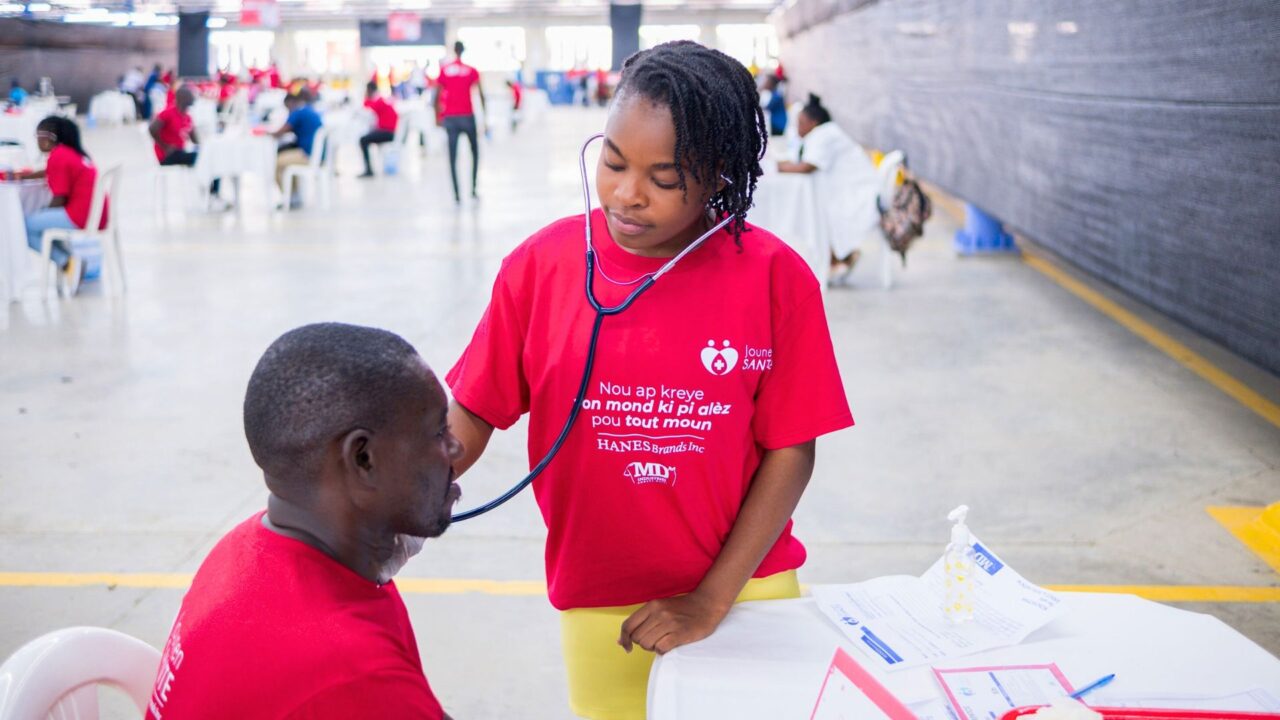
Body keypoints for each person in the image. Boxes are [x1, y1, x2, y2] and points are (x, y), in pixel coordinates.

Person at [446, 41, 853, 720]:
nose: (626, 195)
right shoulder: (542, 267)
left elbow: (792, 450)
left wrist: (711, 600)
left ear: (720, 176)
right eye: (612, 162)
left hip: (747, 589)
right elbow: (473, 410)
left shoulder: (776, 278)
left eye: (663, 179)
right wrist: (394, 494)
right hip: (603, 597)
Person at [144, 323, 460, 720]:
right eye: (438, 432)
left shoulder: (243, 548)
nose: (456, 446)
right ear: (363, 459)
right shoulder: (352, 672)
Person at [777, 93, 879, 283]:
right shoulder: (822, 134)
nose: (797, 128)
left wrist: (774, 167)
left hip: (860, 193)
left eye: (801, 123)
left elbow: (807, 166)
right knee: (814, 209)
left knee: (819, 213)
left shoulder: (825, 134)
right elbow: (799, 161)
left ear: (813, 122)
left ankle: (841, 257)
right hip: (848, 188)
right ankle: (839, 257)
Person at [19, 116, 109, 297]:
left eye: (38, 136)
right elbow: (49, 172)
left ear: (49, 137)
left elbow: (59, 198)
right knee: (40, 224)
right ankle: (70, 262)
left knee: (25, 226)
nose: (36, 140)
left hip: (81, 215)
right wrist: (23, 176)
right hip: (96, 213)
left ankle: (67, 262)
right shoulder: (70, 152)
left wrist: (42, 214)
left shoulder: (58, 157)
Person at [150, 85, 222, 203]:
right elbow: (152, 129)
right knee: (204, 159)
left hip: (180, 153)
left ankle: (213, 194)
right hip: (168, 156)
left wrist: (206, 141)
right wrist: (165, 146)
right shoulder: (168, 113)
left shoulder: (187, 117)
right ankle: (211, 195)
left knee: (211, 157)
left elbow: (194, 140)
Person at [434, 40, 485, 204]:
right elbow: (481, 94)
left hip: (450, 118)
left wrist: (437, 117)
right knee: (475, 153)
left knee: (452, 156)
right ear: (463, 51)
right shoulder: (471, 71)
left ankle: (456, 194)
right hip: (467, 117)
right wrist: (485, 116)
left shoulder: (445, 71)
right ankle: (473, 189)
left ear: (453, 50)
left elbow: (436, 95)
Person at [271, 89, 323, 208]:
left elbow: (282, 131)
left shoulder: (298, 112)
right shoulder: (310, 110)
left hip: (307, 154)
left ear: (290, 103)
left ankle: (289, 197)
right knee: (286, 158)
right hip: (314, 153)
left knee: (278, 163)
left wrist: (268, 133)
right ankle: (294, 194)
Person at [359, 81, 399, 178]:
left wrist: (365, 96)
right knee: (367, 136)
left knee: (363, 140)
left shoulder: (378, 100)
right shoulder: (382, 99)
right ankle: (369, 169)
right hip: (389, 131)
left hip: (388, 133)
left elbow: (366, 105)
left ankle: (369, 170)